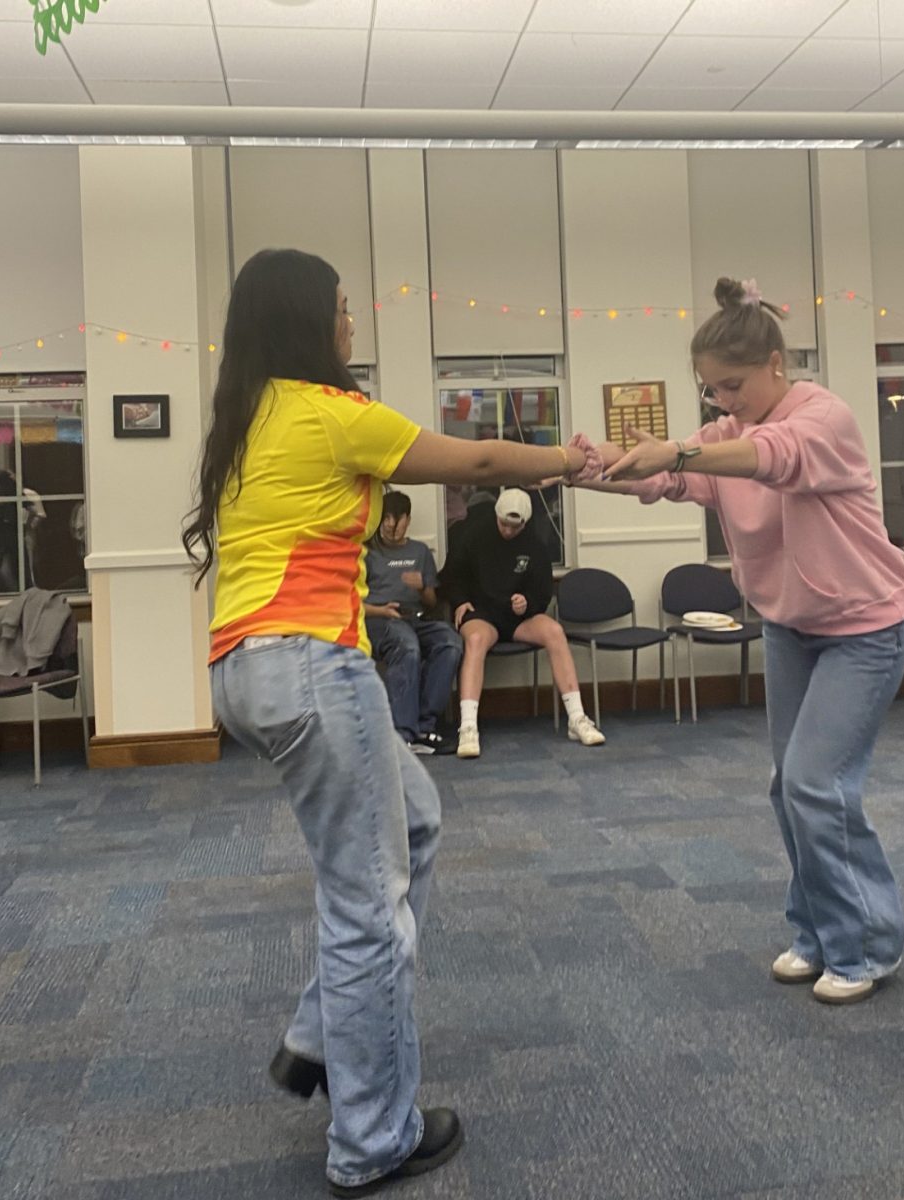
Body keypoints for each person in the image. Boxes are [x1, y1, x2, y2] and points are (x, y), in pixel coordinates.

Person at [181, 248, 597, 1197]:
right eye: (339, 309)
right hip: (312, 669)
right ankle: (372, 1139)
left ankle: (317, 1038)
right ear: (305, 322)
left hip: (249, 669)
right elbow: (484, 460)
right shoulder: (329, 412)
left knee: (411, 823)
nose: (350, 325)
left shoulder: (248, 415)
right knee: (369, 906)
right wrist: (574, 462)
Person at [574, 276, 904, 1006]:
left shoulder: (822, 418)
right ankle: (818, 932)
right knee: (785, 786)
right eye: (711, 392)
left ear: (773, 364)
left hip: (866, 627)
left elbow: (771, 457)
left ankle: (869, 946)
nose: (722, 403)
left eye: (731, 387)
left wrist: (678, 452)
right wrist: (583, 467)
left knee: (814, 783)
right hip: (793, 626)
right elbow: (664, 477)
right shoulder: (722, 434)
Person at [442, 486, 605, 759]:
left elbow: (542, 590)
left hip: (517, 618)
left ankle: (577, 718)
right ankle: (468, 727)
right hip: (482, 613)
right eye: (503, 524)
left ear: (525, 523)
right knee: (476, 640)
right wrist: (459, 601)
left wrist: (527, 602)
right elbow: (451, 575)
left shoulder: (535, 543)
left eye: (514, 527)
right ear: (496, 516)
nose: (508, 530)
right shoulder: (474, 534)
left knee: (554, 631)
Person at [365, 489, 462, 755]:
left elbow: (431, 603)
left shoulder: (419, 552)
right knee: (407, 647)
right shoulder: (367, 552)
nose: (390, 525)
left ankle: (424, 726)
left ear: (407, 519)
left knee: (450, 643)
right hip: (379, 619)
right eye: (385, 518)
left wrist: (422, 588)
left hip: (416, 618)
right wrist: (379, 610)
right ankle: (402, 734)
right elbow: (350, 601)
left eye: (396, 519)